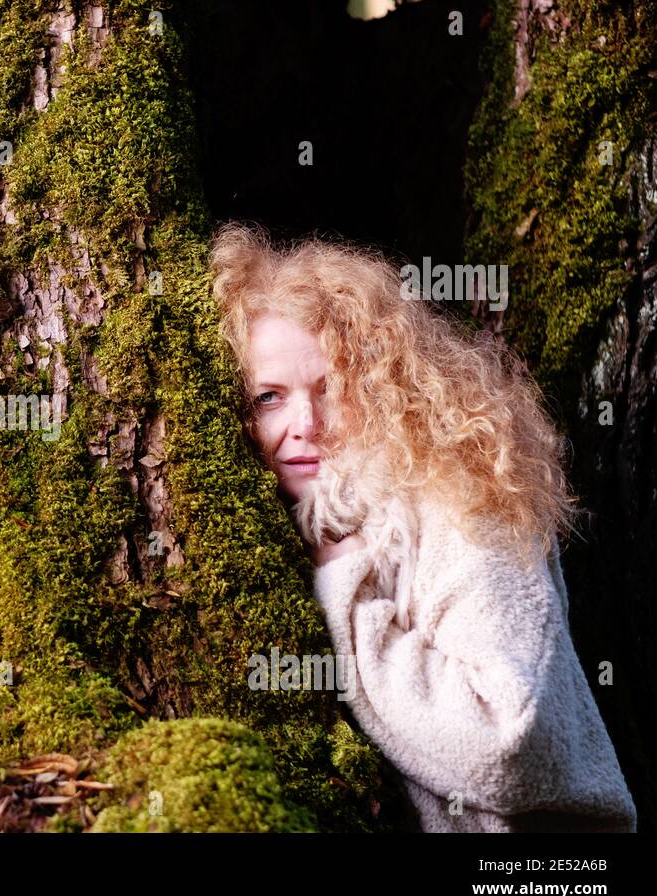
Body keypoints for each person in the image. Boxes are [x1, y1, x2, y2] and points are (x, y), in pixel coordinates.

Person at [210, 220, 638, 832]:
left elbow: (509, 739)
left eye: (330, 388)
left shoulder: (462, 502)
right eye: (269, 397)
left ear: (386, 388)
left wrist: (347, 596)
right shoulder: (303, 523)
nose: (306, 423)